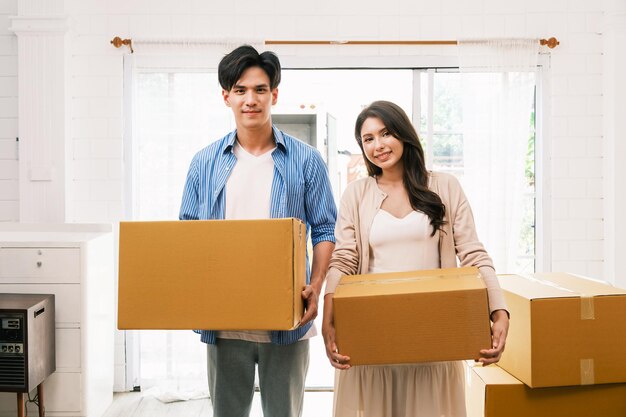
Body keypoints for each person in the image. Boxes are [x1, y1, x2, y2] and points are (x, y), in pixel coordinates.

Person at [321, 100, 509, 417]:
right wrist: (328, 319)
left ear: (404, 135)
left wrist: (498, 310)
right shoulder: (356, 193)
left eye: (386, 133)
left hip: (432, 337)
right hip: (372, 336)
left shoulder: (445, 186)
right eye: (368, 139)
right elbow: (343, 259)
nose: (378, 145)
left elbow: (473, 253)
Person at [179, 45, 337, 417]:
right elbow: (186, 236)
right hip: (223, 323)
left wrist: (315, 286)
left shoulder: (306, 160)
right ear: (226, 97)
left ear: (274, 95)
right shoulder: (204, 163)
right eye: (240, 90)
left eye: (260, 89)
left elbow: (326, 228)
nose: (251, 99)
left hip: (286, 321)